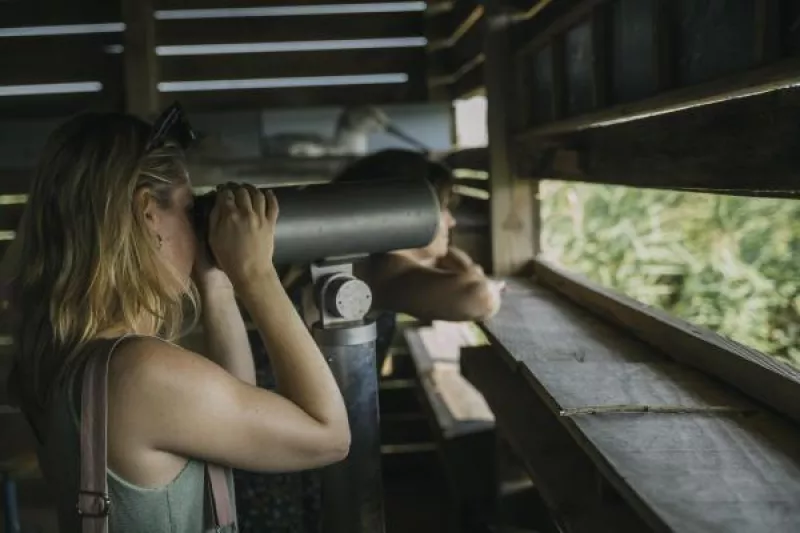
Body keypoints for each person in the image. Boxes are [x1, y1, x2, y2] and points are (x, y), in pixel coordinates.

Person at [4, 108, 350, 533]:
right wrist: (257, 276)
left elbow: (235, 410)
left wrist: (217, 282)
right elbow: (328, 437)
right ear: (148, 213)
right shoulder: (141, 372)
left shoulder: (61, 354)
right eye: (189, 208)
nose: (197, 223)